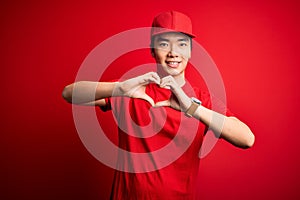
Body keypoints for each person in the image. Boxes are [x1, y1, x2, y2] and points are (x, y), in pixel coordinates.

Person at [62, 10, 254, 200]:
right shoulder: (132, 89)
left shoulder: (202, 100)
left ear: (190, 51)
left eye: (181, 44)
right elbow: (69, 94)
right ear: (152, 50)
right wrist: (119, 88)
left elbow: (247, 139)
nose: (173, 53)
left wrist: (192, 108)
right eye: (164, 44)